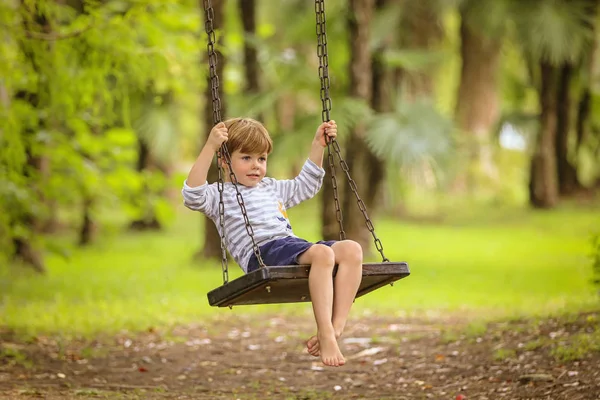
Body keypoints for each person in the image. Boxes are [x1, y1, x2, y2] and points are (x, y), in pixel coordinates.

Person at [182, 117, 363, 367]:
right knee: (322, 254)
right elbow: (192, 195)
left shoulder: (270, 187)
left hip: (289, 245)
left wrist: (318, 145)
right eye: (246, 158)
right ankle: (325, 332)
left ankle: (335, 328)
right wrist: (210, 147)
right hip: (261, 255)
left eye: (261, 159)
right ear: (224, 160)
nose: (256, 165)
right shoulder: (218, 195)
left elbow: (307, 186)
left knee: (352, 250)